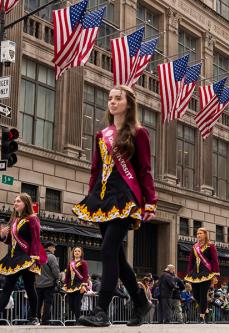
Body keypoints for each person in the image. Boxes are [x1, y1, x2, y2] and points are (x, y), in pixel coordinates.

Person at [73, 85, 158, 327]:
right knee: (117, 258)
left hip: (125, 197)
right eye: (110, 98)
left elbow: (144, 170)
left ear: (128, 103)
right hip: (102, 197)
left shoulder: (139, 133)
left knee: (109, 249)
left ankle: (101, 311)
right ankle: (141, 303)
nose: (112, 102)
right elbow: (95, 169)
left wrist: (150, 201)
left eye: (117, 98)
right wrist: (89, 199)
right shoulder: (102, 135)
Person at [0, 193, 47, 325]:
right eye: (14, 201)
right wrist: (2, 234)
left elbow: (36, 239)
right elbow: (9, 240)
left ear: (25, 203)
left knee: (29, 287)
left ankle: (34, 317)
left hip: (26, 259)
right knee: (7, 287)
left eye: (18, 201)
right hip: (13, 258)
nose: (15, 203)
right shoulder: (13, 220)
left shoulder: (32, 219)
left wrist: (34, 258)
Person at [184, 227, 220, 323]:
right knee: (195, 295)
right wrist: (189, 273)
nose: (199, 235)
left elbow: (215, 261)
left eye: (200, 233)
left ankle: (201, 316)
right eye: (197, 233)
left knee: (203, 294)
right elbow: (191, 261)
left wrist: (215, 274)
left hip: (207, 273)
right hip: (196, 273)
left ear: (205, 234)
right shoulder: (194, 246)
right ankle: (206, 310)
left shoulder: (210, 245)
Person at [35, 241, 60, 325]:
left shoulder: (38, 256)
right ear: (49, 248)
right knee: (47, 303)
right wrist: (58, 278)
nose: (55, 249)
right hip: (49, 284)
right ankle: (45, 320)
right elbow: (56, 270)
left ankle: (36, 318)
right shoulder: (51, 257)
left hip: (38, 284)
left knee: (38, 302)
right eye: (54, 247)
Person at [63, 247, 89, 323]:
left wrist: (83, 285)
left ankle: (78, 320)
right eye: (75, 251)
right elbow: (67, 275)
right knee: (71, 305)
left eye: (78, 251)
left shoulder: (83, 262)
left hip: (80, 285)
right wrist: (65, 284)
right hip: (70, 286)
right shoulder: (70, 263)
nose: (77, 252)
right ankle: (81, 318)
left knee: (77, 303)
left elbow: (85, 275)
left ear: (81, 253)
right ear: (73, 253)